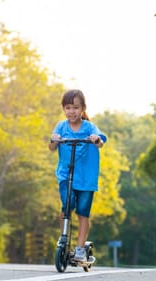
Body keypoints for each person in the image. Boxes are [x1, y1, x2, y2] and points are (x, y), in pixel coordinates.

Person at [48, 89, 107, 264]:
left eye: (75, 107)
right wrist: (55, 139)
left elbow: (101, 142)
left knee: (82, 213)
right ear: (63, 109)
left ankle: (80, 248)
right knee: (66, 206)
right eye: (68, 107)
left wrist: (96, 139)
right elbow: (51, 147)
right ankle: (63, 237)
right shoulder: (61, 126)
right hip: (66, 174)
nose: (71, 111)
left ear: (82, 108)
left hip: (86, 178)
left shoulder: (89, 127)